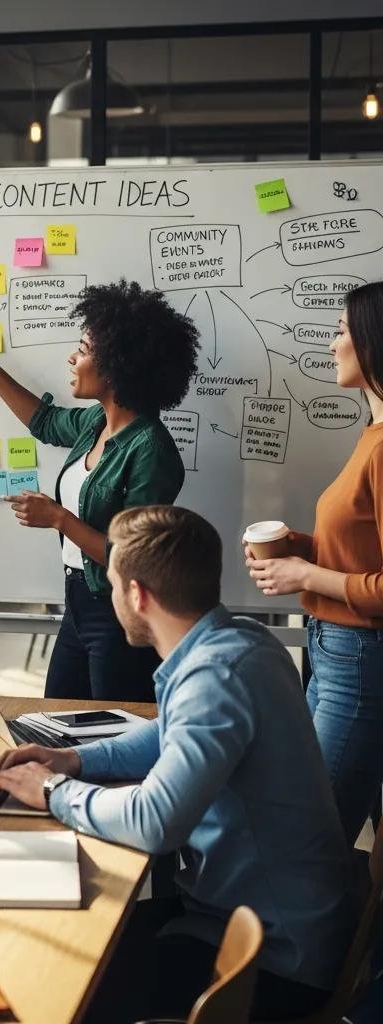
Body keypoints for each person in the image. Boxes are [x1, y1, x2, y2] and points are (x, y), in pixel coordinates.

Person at [0, 505, 353, 1023]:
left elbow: (154, 823)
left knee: (52, 986)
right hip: (240, 915)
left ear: (137, 594)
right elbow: (168, 735)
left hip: (274, 961)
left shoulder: (217, 677)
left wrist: (51, 791)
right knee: (74, 936)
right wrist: (72, 759)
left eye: (112, 583)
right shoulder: (240, 641)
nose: (111, 596)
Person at [0, 279, 198, 702]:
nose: (72, 358)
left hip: (120, 616)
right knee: (56, 721)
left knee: (111, 735)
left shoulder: (151, 450)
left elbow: (129, 556)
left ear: (116, 364)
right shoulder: (95, 423)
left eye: (84, 349)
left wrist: (59, 518)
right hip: (78, 605)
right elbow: (42, 421)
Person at [247, 281, 383, 845]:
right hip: (337, 650)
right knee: (307, 816)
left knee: (309, 834)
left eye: (341, 332)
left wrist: (305, 575)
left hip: (358, 657)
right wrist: (302, 546)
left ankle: (298, 936)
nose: (331, 345)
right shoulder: (371, 436)